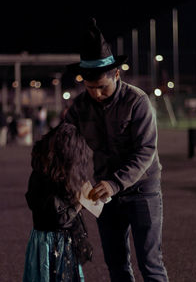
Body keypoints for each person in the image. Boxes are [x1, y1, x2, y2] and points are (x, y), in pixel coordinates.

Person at [64, 18, 169, 282]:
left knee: (150, 263)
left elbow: (145, 151)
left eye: (102, 87)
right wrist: (75, 180)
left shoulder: (137, 101)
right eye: (90, 88)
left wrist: (114, 183)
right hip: (102, 194)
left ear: (117, 75)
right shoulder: (78, 107)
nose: (96, 94)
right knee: (117, 264)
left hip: (142, 189)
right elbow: (66, 147)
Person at [23, 122, 93, 282]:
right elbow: (60, 219)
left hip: (39, 238)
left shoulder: (40, 170)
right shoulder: (58, 178)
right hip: (58, 242)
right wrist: (80, 203)